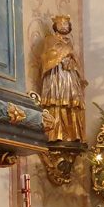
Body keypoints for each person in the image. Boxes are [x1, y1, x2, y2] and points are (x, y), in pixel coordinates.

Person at [40, 14, 86, 143]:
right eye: (61, 24)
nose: (64, 26)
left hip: (68, 74)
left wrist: (72, 60)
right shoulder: (50, 39)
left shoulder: (69, 42)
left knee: (71, 101)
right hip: (56, 74)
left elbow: (74, 57)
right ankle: (54, 132)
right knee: (56, 100)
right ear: (55, 26)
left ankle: (72, 134)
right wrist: (64, 53)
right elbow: (46, 57)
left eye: (66, 24)